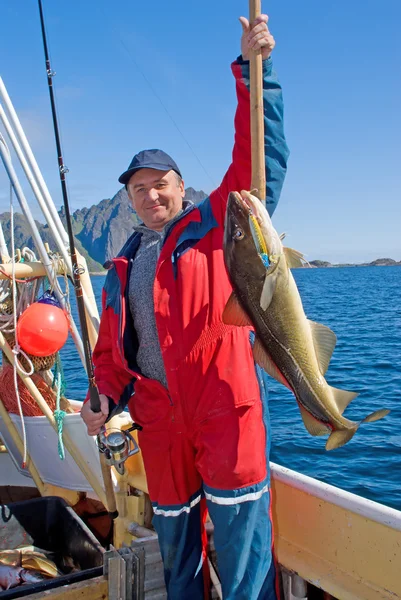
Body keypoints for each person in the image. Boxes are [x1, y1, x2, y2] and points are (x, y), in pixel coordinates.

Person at [81, 13, 289, 600]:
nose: (150, 196)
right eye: (138, 189)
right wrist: (100, 398)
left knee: (245, 554)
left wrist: (257, 73)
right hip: (160, 424)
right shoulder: (118, 269)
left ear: (181, 186)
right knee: (178, 560)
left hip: (226, 409)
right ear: (129, 199)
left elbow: (260, 157)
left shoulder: (217, 222)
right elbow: (111, 355)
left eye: (160, 184)